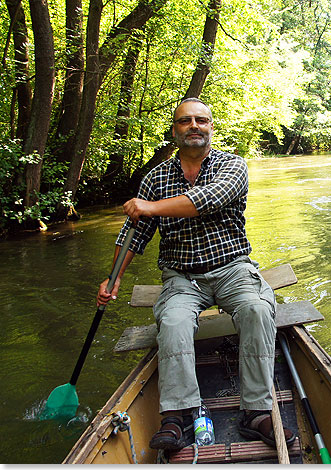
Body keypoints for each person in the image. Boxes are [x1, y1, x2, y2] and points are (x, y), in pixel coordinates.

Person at [97, 97, 295, 451]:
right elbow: (133, 235)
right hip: (182, 277)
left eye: (201, 121)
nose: (194, 126)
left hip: (233, 268)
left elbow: (207, 200)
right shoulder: (155, 179)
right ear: (174, 130)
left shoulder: (232, 166)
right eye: (186, 121)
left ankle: (256, 411)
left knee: (258, 310)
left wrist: (149, 207)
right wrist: (113, 279)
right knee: (172, 322)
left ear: (210, 128)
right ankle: (177, 415)